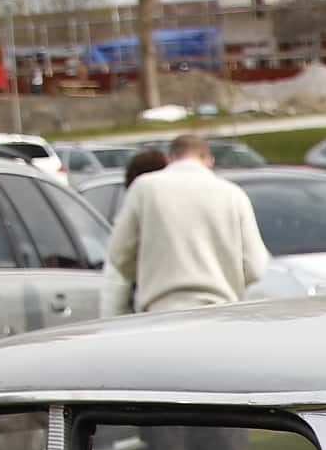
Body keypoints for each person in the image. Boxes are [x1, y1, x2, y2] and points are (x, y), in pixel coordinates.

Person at [104, 131, 269, 315]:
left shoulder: (144, 188)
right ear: (210, 161)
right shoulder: (233, 195)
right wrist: (228, 278)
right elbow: (256, 267)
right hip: (220, 310)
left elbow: (118, 254)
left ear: (170, 158)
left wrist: (145, 274)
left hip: (160, 310)